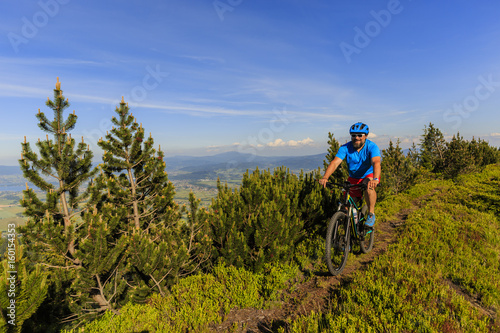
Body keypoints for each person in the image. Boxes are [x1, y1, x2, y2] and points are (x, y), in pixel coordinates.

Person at [319, 122, 381, 229]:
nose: (356, 138)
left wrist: (375, 179)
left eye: (359, 135)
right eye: (353, 135)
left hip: (369, 175)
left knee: (369, 187)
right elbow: (335, 163)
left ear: (366, 136)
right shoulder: (345, 148)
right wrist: (325, 177)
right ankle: (349, 236)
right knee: (347, 207)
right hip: (353, 177)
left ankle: (371, 214)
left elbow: (376, 162)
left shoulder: (372, 147)